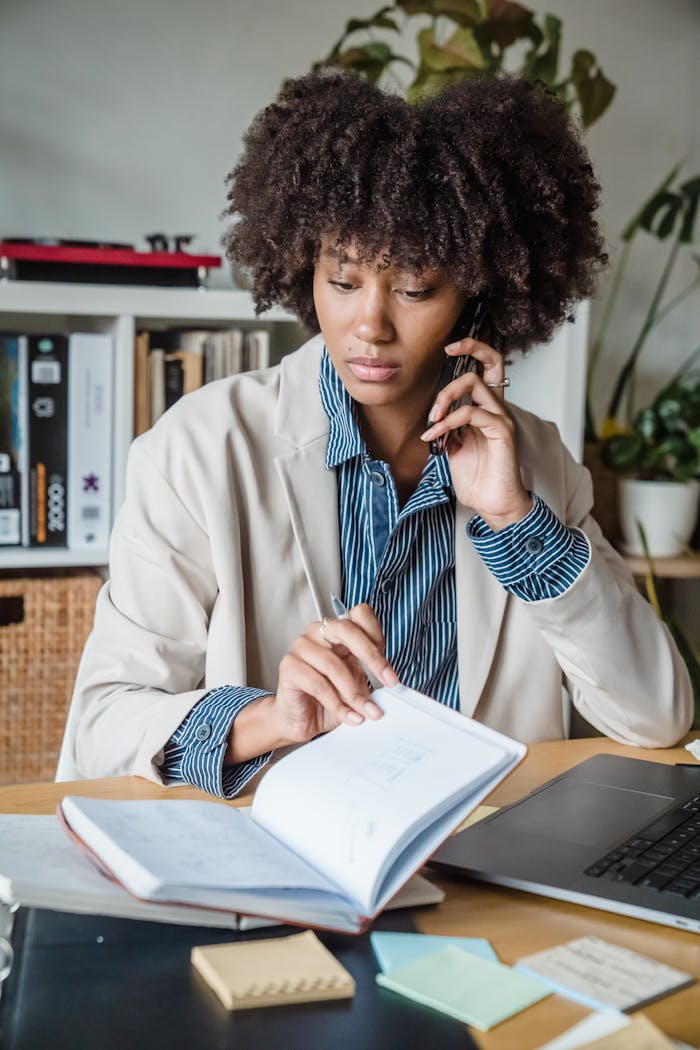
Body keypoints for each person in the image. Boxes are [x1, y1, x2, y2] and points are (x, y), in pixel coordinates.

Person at [68, 71, 692, 795]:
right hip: (273, 870)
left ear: (476, 291)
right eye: (342, 281)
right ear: (305, 269)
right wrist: (272, 718)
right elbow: (100, 729)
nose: (371, 325)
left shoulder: (538, 462)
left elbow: (658, 716)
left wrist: (515, 519)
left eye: (415, 289)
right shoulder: (199, 451)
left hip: (482, 870)